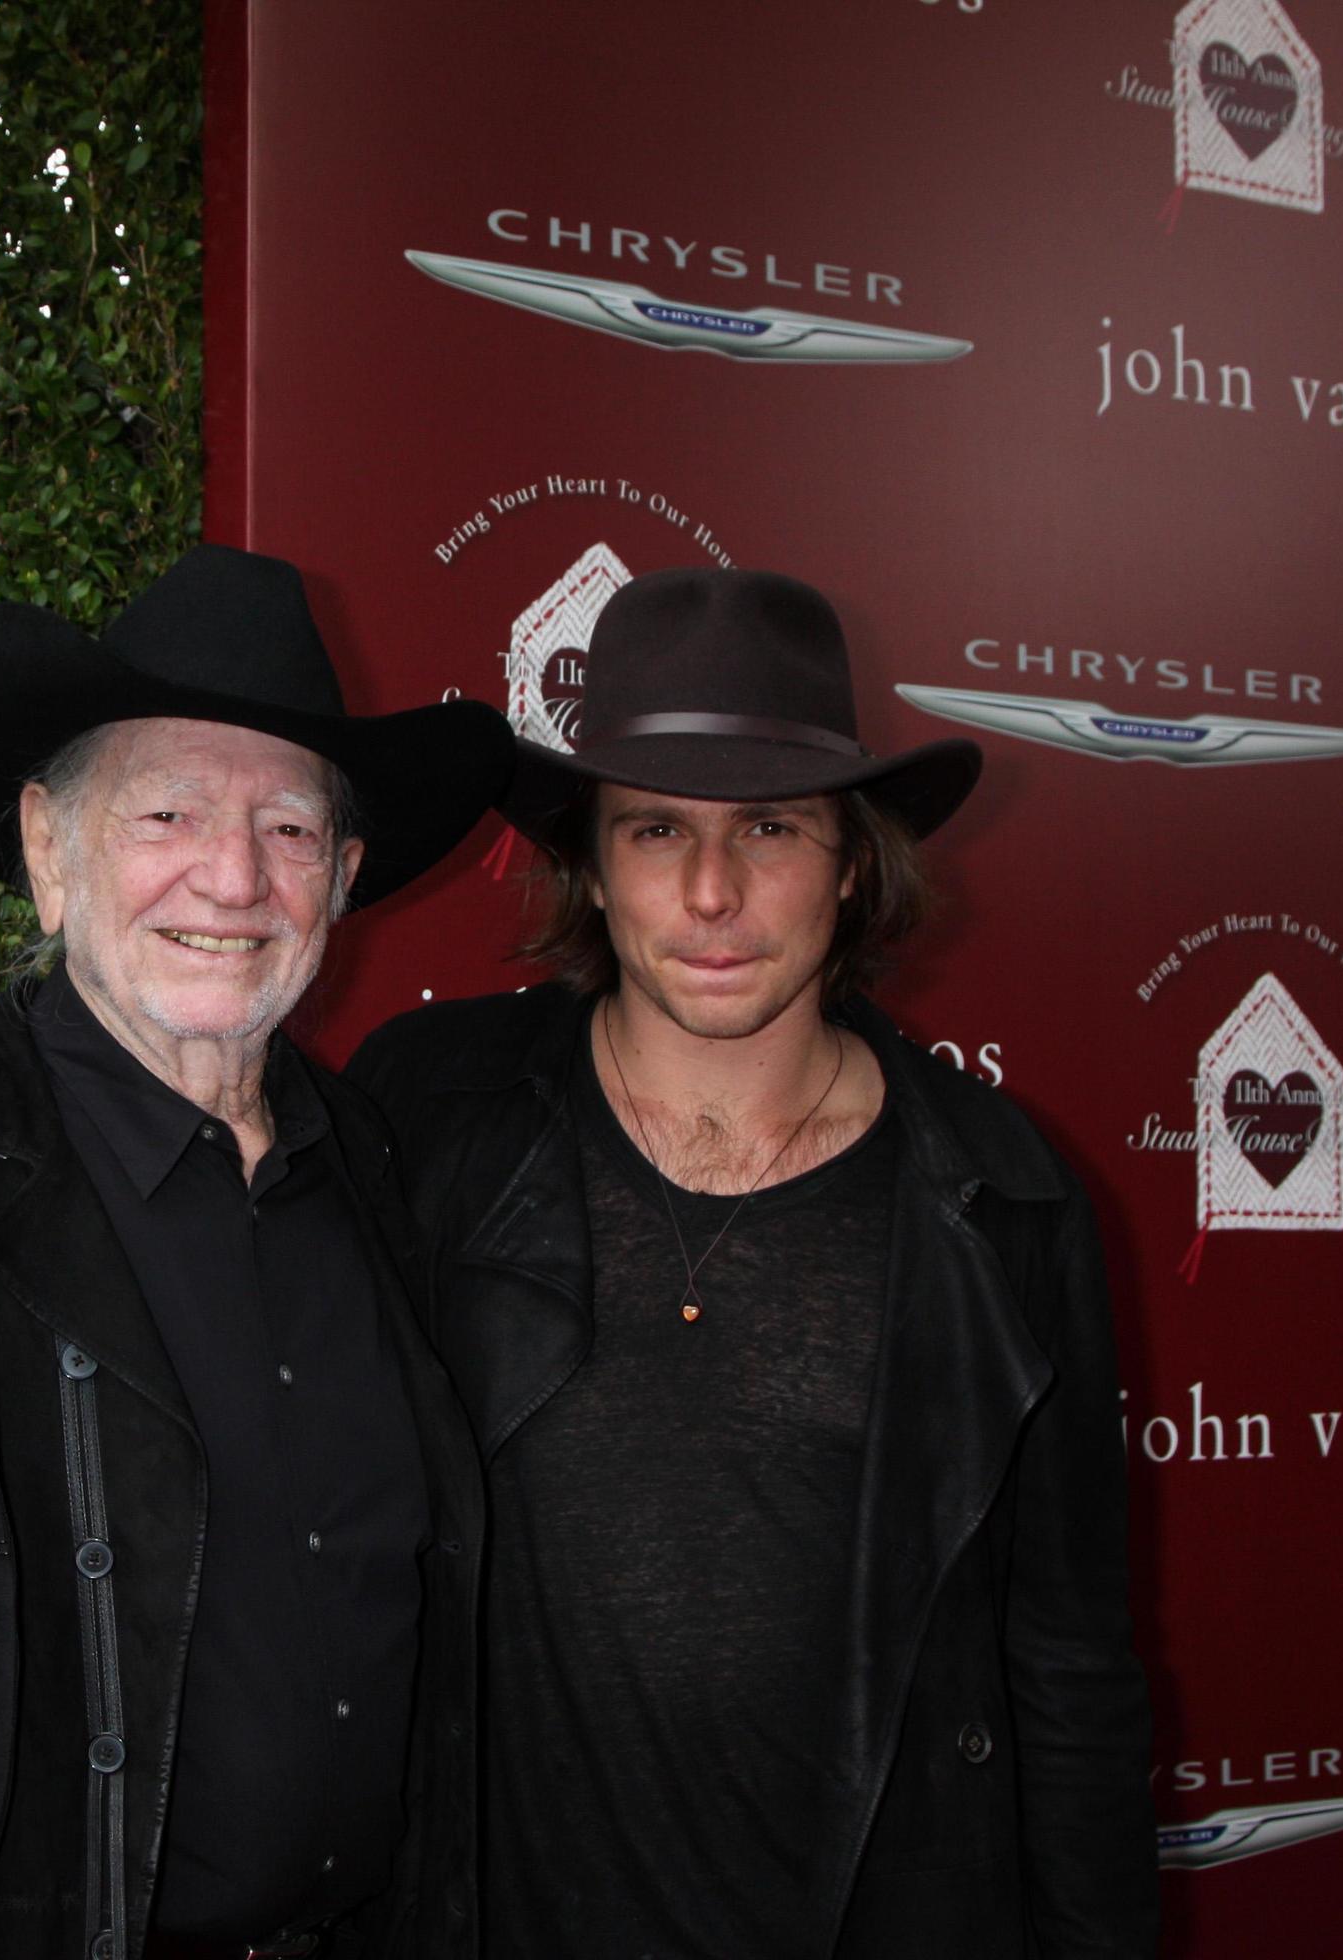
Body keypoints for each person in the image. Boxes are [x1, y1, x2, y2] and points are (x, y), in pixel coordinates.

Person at [347, 568, 1158, 1958]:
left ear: (852, 859)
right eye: (657, 828)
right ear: (591, 866)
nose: (713, 893)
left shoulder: (1007, 1206)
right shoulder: (428, 1125)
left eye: (771, 827)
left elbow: (1070, 1674)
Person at [0, 546, 508, 1958]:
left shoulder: (384, 1174)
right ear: (48, 848)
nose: (231, 880)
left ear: (340, 879)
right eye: (166, 812)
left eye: (287, 831)